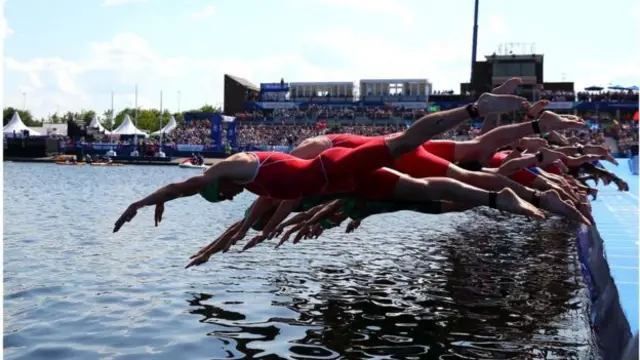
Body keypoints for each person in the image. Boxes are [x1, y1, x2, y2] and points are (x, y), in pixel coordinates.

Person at [114, 87, 537, 234]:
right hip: (342, 186)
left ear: (218, 184)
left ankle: (476, 109)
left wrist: (142, 202)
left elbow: (182, 185)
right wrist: (260, 235)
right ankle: (498, 198)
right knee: (424, 190)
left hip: (335, 165)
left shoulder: (236, 166)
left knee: (405, 142)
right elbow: (278, 207)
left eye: (220, 196)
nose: (226, 199)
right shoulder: (252, 188)